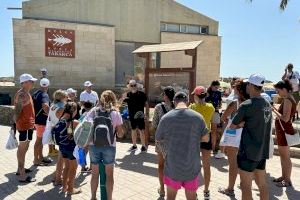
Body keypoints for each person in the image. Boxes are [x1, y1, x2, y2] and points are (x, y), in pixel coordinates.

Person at [156, 91, 210, 200]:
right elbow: (206, 138)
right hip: (191, 166)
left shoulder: (166, 118)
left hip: (172, 167)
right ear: (187, 101)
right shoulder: (198, 117)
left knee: (170, 198)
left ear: (174, 102)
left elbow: (158, 138)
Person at [230, 74, 272, 200]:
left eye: (248, 84)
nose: (246, 86)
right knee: (262, 183)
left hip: (248, 151)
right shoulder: (267, 103)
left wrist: (242, 124)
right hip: (261, 151)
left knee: (245, 185)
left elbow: (233, 125)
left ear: (252, 86)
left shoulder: (247, 104)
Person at [85, 90, 124, 200]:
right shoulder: (115, 113)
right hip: (110, 146)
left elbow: (86, 127)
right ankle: (109, 198)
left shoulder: (93, 111)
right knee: (109, 175)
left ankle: (93, 197)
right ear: (113, 100)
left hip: (94, 145)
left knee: (94, 174)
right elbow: (120, 134)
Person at [218, 80, 250, 197]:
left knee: (233, 164)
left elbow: (223, 118)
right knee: (244, 162)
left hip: (233, 134)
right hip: (247, 135)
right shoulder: (250, 103)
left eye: (235, 88)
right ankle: (243, 184)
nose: (233, 90)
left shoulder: (234, 104)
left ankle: (230, 189)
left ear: (239, 90)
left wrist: (231, 123)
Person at [189, 86, 215, 200]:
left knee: (194, 166)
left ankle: (193, 191)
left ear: (196, 96)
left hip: (194, 138)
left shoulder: (191, 107)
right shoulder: (211, 107)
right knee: (207, 166)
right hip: (206, 137)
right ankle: (206, 191)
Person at [52, 102, 81, 195]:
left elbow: (67, 133)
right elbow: (85, 127)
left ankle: (64, 187)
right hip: (71, 148)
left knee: (67, 167)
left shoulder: (61, 119)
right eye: (77, 110)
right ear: (73, 110)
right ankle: (70, 189)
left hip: (62, 148)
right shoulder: (74, 122)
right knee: (73, 168)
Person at [14, 73, 38, 183]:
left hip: (28, 125)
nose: (33, 83)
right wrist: (15, 122)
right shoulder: (22, 94)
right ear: (24, 83)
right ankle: (22, 175)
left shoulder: (26, 93)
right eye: (31, 81)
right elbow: (17, 110)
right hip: (24, 125)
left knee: (25, 146)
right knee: (22, 147)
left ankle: (21, 169)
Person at [152, 86, 175, 198]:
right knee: (172, 166)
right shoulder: (177, 107)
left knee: (161, 165)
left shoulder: (158, 107)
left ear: (165, 95)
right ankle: (172, 189)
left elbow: (154, 125)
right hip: (175, 142)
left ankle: (162, 189)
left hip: (161, 141)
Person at [272, 80, 296, 187]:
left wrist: (274, 110)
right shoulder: (290, 98)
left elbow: (285, 118)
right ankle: (284, 177)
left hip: (284, 131)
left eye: (278, 91)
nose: (278, 93)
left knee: (285, 156)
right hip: (283, 131)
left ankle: (287, 180)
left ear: (284, 89)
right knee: (283, 156)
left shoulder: (287, 100)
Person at [49, 90, 69, 185]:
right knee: (62, 158)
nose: (67, 99)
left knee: (61, 157)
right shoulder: (61, 108)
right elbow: (62, 120)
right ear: (61, 98)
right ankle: (57, 179)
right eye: (65, 97)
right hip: (60, 133)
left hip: (54, 132)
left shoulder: (53, 105)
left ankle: (56, 176)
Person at [123, 80, 148, 152]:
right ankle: (134, 145)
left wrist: (147, 114)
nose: (133, 87)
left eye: (134, 85)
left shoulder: (142, 94)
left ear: (137, 86)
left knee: (141, 130)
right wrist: (122, 97)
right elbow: (120, 103)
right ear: (129, 87)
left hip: (140, 115)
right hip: (131, 115)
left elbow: (146, 104)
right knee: (133, 130)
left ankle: (143, 146)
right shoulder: (128, 95)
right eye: (132, 85)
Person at [32, 78, 52, 166]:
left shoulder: (35, 93)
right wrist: (50, 115)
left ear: (40, 85)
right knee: (39, 141)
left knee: (39, 140)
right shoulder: (44, 94)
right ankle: (36, 160)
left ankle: (40, 157)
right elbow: (45, 105)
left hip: (36, 120)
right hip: (41, 121)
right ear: (48, 86)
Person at [206, 80, 224, 158]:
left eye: (218, 87)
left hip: (215, 112)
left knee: (214, 131)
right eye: (215, 87)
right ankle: (205, 148)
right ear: (212, 86)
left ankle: (213, 149)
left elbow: (220, 102)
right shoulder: (207, 92)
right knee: (205, 130)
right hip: (207, 112)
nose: (217, 89)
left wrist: (219, 106)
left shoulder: (218, 93)